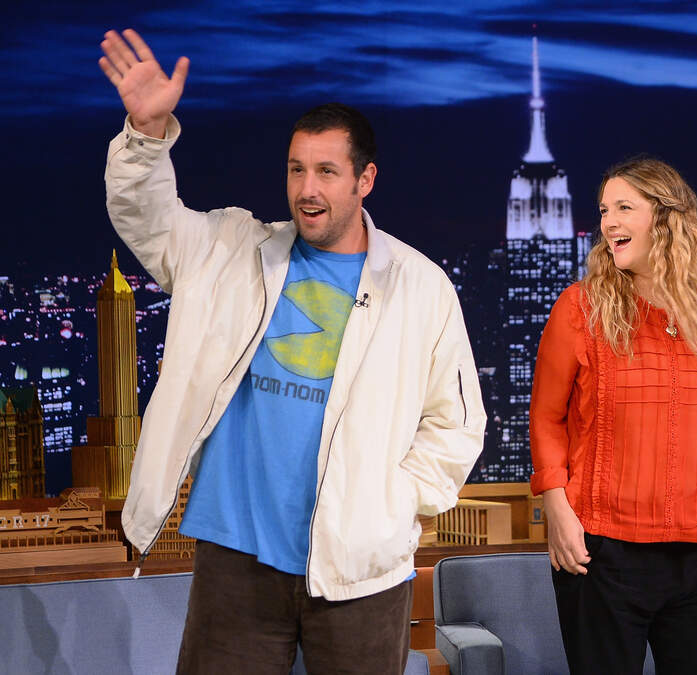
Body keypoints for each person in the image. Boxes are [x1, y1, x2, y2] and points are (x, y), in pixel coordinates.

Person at [99, 29, 485, 673]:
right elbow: (146, 217)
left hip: (358, 567)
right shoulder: (228, 251)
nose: (308, 188)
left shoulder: (421, 288)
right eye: (296, 169)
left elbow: (458, 424)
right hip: (236, 558)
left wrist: (389, 506)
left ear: (365, 179)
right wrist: (145, 134)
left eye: (327, 171)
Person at [529, 157, 697, 674]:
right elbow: (545, 417)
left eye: (624, 208)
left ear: (666, 217)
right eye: (604, 210)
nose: (609, 222)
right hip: (602, 553)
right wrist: (558, 512)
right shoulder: (580, 308)